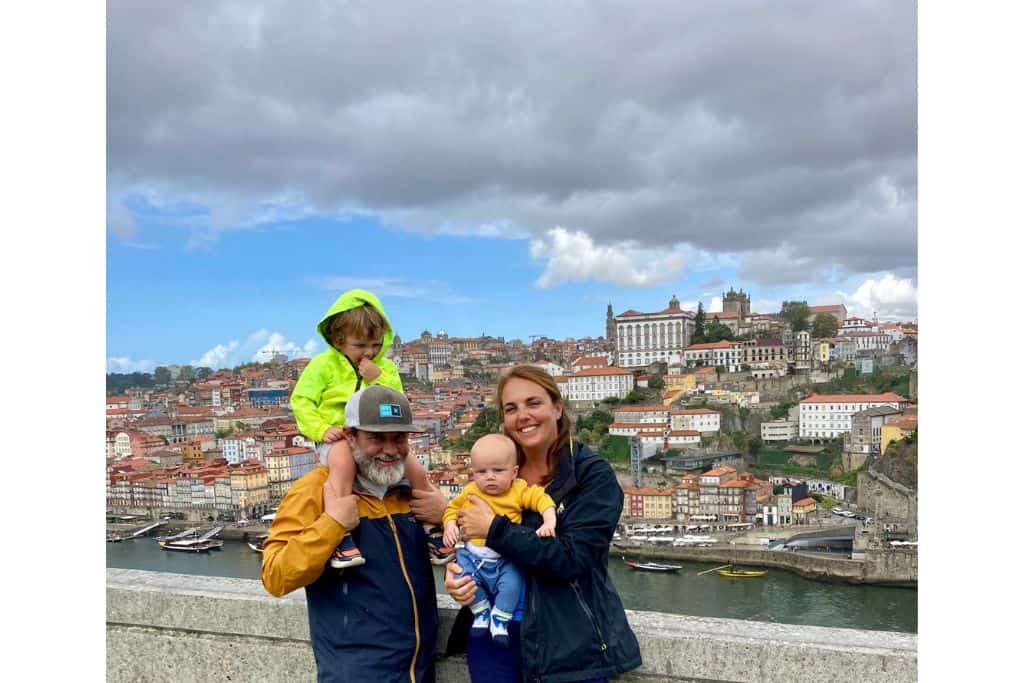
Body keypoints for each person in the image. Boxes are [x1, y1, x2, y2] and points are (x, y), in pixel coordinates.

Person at [444, 365, 642, 683]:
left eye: (533, 403)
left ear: (557, 408)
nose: (522, 415)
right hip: (495, 638)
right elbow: (471, 536)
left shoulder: (592, 476)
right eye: (511, 408)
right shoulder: (490, 476)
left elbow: (573, 558)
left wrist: (495, 529)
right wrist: (459, 575)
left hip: (568, 647)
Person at [262, 385, 447, 682]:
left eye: (399, 438)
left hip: (418, 672)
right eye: (376, 438)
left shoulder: (411, 490)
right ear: (350, 436)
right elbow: (275, 575)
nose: (390, 450)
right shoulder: (314, 491)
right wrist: (332, 524)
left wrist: (446, 516)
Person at [290, 288, 452, 569]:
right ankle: (341, 533)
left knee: (415, 468)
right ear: (338, 340)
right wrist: (320, 429)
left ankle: (431, 529)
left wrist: (379, 377)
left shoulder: (385, 368)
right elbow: (301, 401)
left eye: (376, 345)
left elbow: (396, 403)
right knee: (341, 462)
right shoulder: (321, 366)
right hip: (338, 435)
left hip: (377, 435)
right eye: (361, 346)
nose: (370, 352)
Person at [442, 433, 557, 646]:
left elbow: (541, 499)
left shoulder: (518, 489)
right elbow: (452, 508)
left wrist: (549, 520)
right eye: (482, 472)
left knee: (513, 584)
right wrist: (450, 525)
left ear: (514, 473)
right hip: (472, 556)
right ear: (473, 473)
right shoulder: (470, 491)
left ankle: (499, 618)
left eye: (497, 471)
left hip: (504, 558)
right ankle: (482, 610)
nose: (489, 477)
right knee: (462, 579)